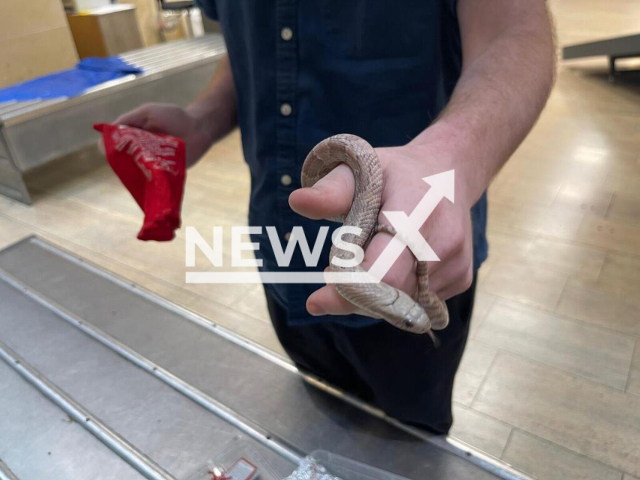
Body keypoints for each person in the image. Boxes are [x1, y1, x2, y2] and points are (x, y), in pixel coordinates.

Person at [116, 1, 555, 434]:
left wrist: (452, 155)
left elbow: (515, 30)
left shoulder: (411, 293)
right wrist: (202, 118)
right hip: (282, 251)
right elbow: (250, 39)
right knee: (323, 414)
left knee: (408, 436)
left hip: (414, 252)